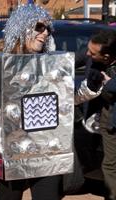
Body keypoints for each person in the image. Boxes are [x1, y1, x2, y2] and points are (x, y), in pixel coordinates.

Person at [0, 4, 63, 200]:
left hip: (44, 149)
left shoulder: (49, 66)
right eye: (39, 27)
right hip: (9, 150)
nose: (45, 33)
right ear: (22, 28)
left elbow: (66, 102)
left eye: (48, 29)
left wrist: (91, 86)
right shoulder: (0, 65)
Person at [80, 30, 116, 200]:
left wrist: (110, 84)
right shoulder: (92, 57)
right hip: (108, 120)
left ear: (107, 57)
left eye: (92, 53)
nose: (88, 54)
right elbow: (73, 59)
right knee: (110, 164)